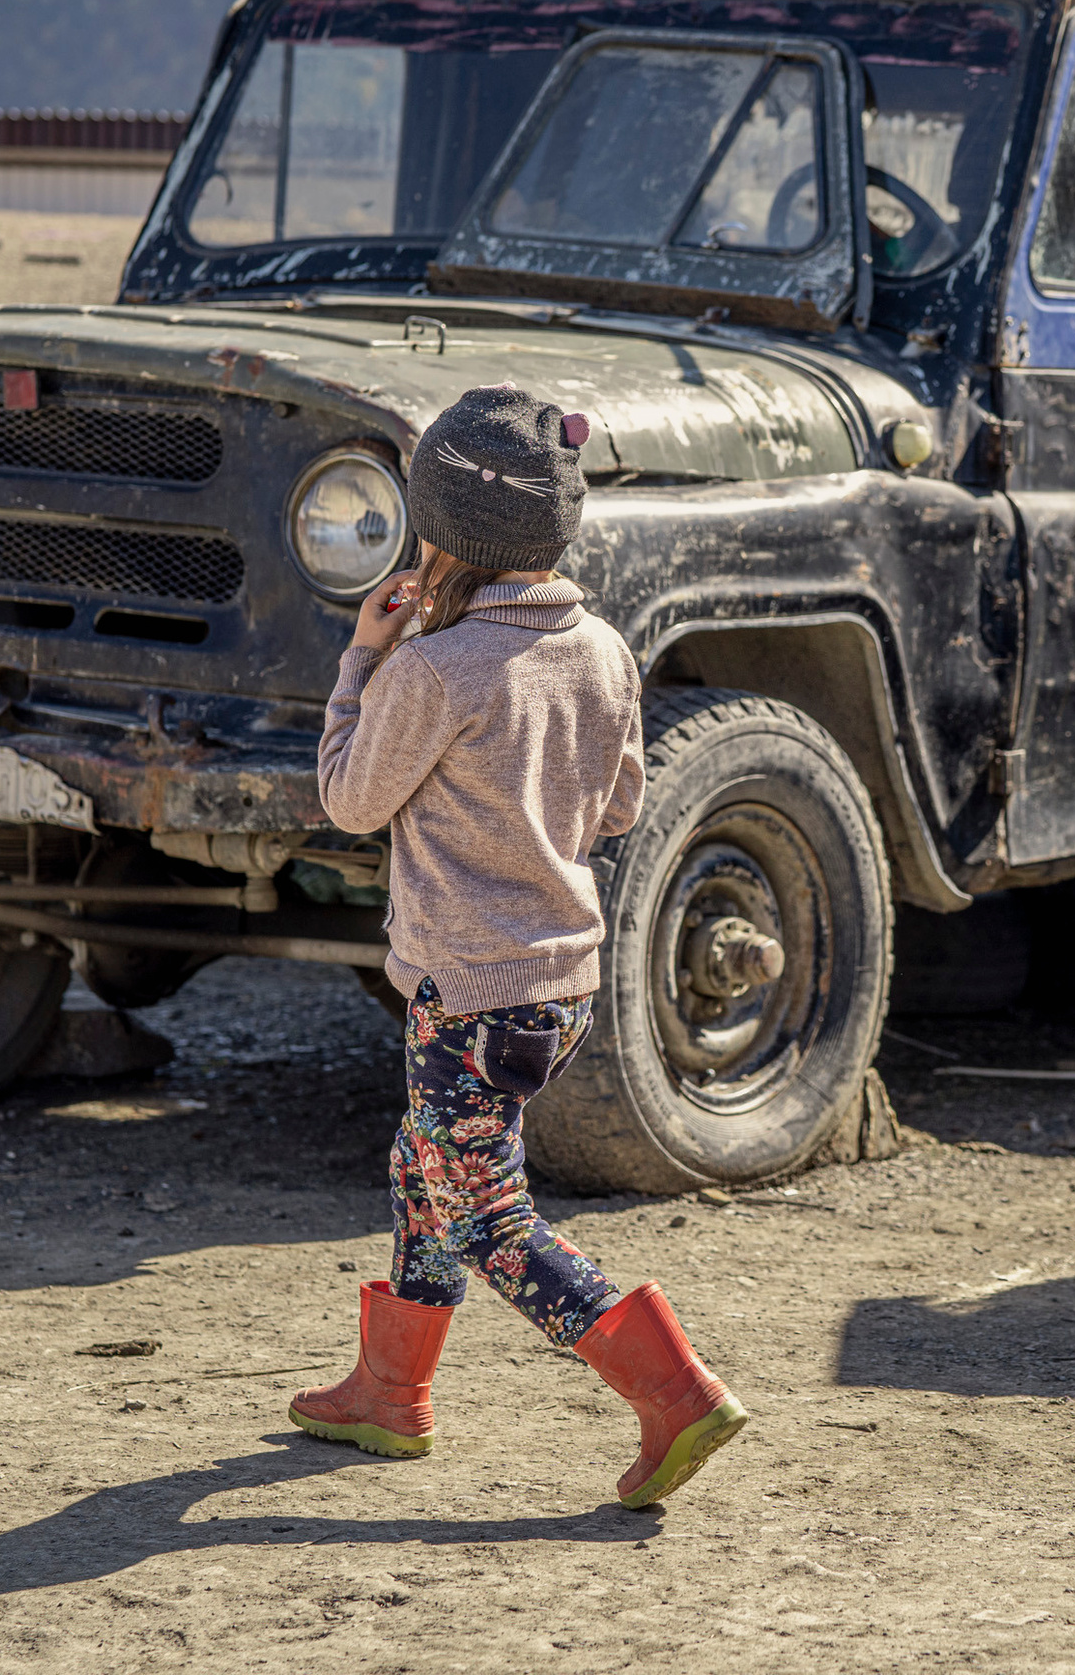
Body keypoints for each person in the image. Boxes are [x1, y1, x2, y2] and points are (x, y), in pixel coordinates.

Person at [291, 384, 749, 1508]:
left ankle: (674, 1392)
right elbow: (620, 807)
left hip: (466, 996)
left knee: (488, 1213)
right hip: (558, 982)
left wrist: (361, 658)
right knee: (426, 1166)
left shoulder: (431, 670)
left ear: (444, 536)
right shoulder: (599, 649)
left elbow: (351, 799)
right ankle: (389, 1393)